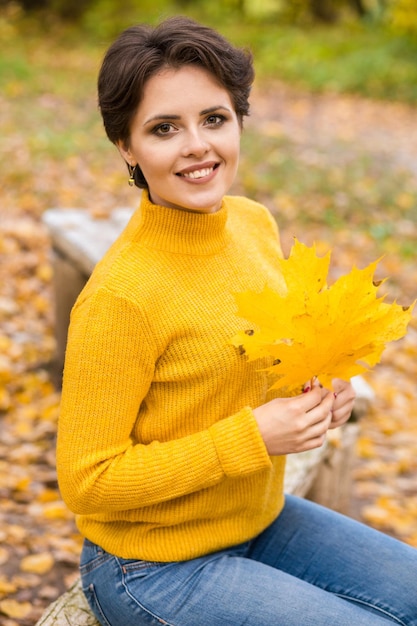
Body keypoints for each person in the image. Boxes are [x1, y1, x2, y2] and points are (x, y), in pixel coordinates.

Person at [56, 16, 417, 626]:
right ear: (126, 147)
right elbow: (87, 481)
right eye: (164, 128)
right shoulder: (121, 298)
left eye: (214, 119)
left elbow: (254, 364)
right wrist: (250, 438)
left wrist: (317, 394)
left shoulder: (252, 223)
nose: (197, 145)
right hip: (151, 566)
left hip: (258, 519)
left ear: (238, 121)